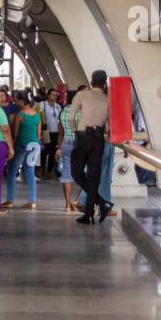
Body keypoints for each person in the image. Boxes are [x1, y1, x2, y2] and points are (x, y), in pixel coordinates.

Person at [71, 70, 112, 224]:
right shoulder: (108, 99)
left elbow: (70, 117)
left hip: (83, 135)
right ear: (105, 82)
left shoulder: (82, 94)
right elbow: (109, 124)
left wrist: (75, 131)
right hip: (99, 138)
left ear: (90, 81)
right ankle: (92, 211)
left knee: (77, 172)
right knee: (94, 177)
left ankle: (101, 204)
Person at [4, 93, 42, 209]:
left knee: (12, 171)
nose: (15, 103)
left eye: (17, 101)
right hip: (34, 145)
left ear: (22, 101)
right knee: (30, 172)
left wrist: (11, 147)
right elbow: (38, 133)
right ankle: (32, 201)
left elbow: (15, 134)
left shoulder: (19, 115)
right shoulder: (37, 114)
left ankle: (9, 200)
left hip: (22, 145)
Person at [58, 85, 84, 212]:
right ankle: (78, 199)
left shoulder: (64, 111)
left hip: (66, 143)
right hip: (79, 143)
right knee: (88, 173)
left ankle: (68, 204)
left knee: (67, 173)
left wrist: (58, 147)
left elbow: (60, 132)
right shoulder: (81, 112)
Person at [41, 89, 62, 178]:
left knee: (52, 151)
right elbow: (37, 116)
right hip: (45, 132)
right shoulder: (42, 105)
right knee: (44, 151)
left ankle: (50, 170)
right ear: (48, 95)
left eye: (56, 95)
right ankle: (41, 170)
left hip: (55, 132)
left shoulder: (58, 107)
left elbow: (60, 119)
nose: (54, 96)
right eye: (53, 95)